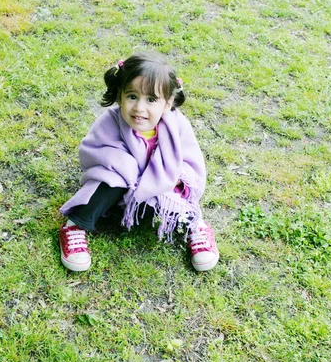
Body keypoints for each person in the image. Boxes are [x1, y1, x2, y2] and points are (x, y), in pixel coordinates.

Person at [59, 52, 219, 272]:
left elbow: (189, 162)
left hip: (154, 191)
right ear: (120, 96)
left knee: (173, 190)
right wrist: (130, 170)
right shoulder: (110, 122)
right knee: (108, 181)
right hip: (121, 189)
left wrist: (168, 175)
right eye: (132, 96)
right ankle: (76, 225)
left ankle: (195, 226)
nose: (139, 108)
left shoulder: (177, 125)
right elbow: (94, 153)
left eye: (151, 100)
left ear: (168, 103)